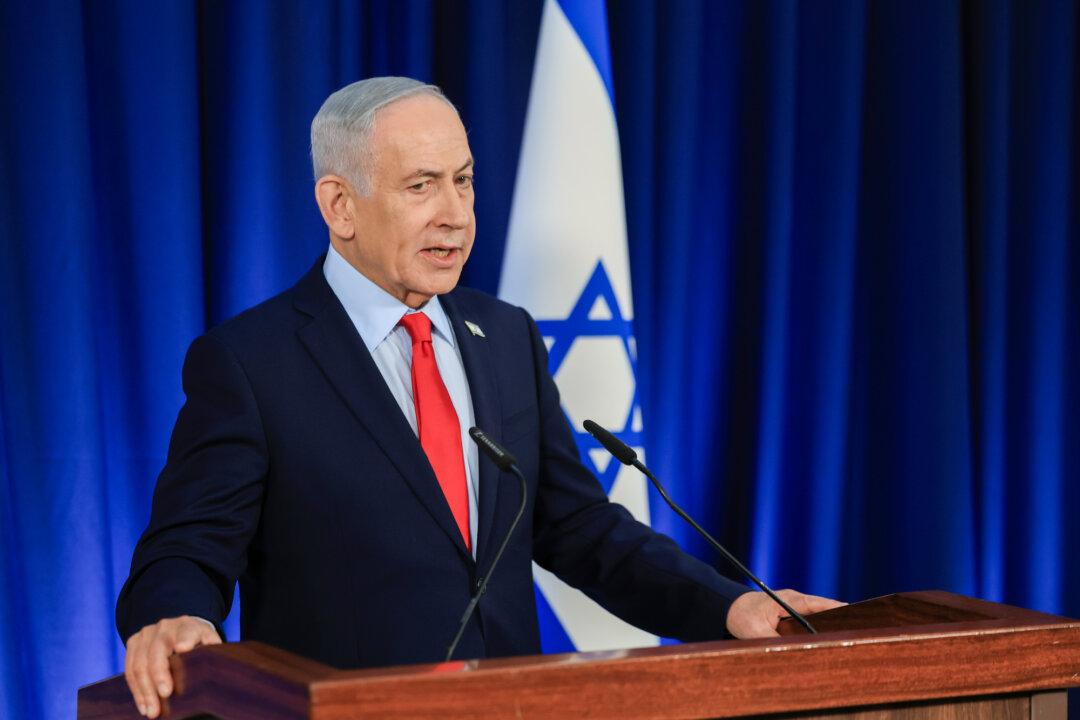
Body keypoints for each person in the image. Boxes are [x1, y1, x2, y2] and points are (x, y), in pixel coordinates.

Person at [117, 76, 842, 718]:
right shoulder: (253, 362)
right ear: (340, 205)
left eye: (463, 181)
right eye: (420, 186)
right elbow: (187, 544)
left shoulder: (504, 336)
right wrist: (176, 614)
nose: (456, 213)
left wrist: (729, 604)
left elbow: (580, 528)